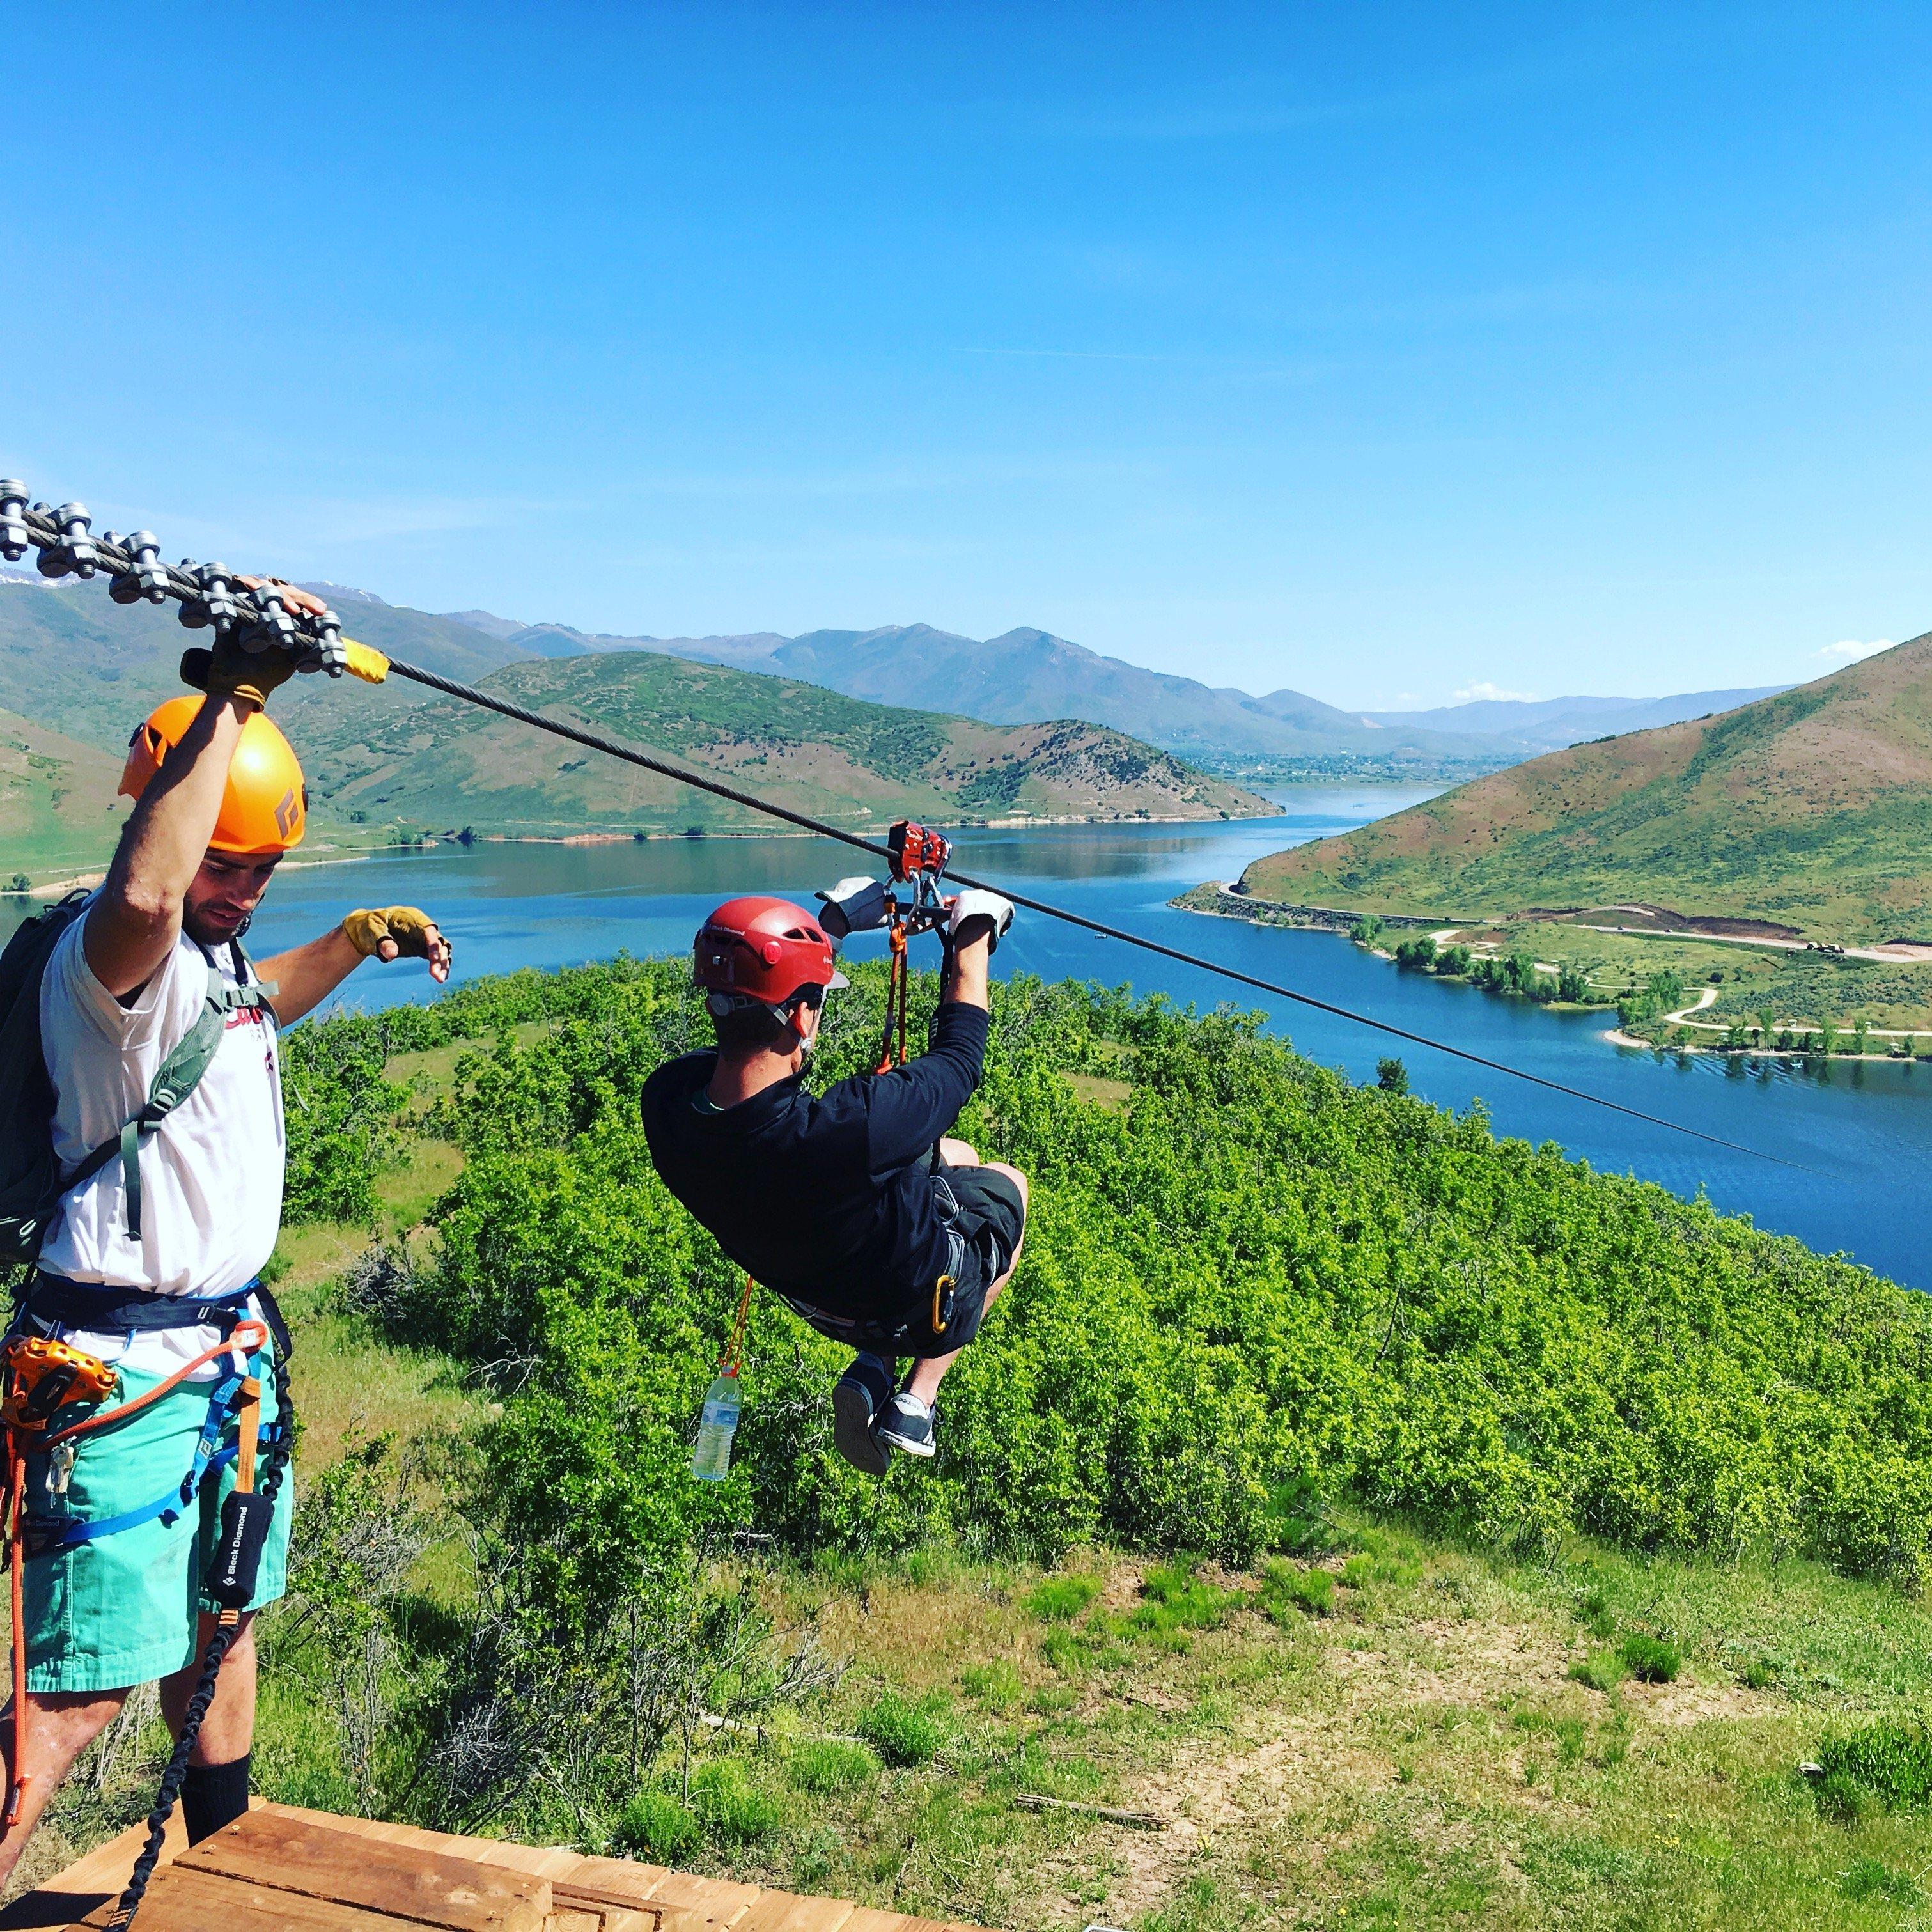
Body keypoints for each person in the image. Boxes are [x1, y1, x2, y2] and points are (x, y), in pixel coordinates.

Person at [0, 596, 452, 1887]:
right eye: (229, 863)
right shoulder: (110, 957)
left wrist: (352, 941)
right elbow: (149, 884)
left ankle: (227, 1877)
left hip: (222, 1360)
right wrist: (234, 702)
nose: (244, 888)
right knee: (78, 1697)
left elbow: (245, 1019)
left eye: (265, 870)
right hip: (117, 1371)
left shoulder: (215, 955)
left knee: (223, 1628)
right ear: (173, 821)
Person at [640, 885, 1025, 1472]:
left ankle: (873, 1364)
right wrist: (973, 933)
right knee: (1007, 1181)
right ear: (801, 1014)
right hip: (917, 1303)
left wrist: (830, 930)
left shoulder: (667, 1108)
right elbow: (959, 1059)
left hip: (821, 1300)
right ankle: (917, 1401)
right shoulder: (849, 1132)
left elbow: (741, 1055)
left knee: (956, 1152)